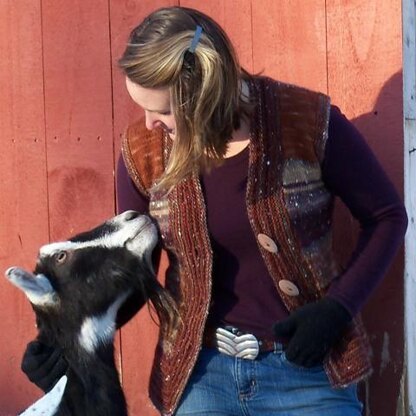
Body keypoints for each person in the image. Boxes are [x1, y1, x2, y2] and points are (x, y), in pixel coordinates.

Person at [21, 6, 407, 416]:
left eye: (163, 110)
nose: (149, 124)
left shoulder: (305, 123)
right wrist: (64, 348)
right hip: (202, 377)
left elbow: (386, 217)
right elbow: (134, 272)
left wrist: (337, 308)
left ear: (202, 91)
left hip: (307, 375)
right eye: (144, 108)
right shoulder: (143, 150)